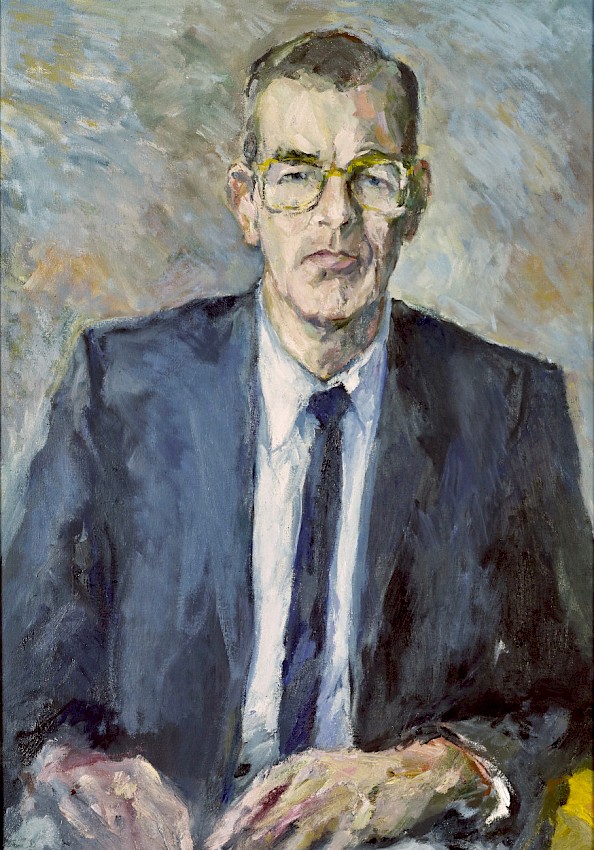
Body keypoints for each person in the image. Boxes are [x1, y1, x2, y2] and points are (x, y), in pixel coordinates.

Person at [4, 30, 591, 850]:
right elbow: (22, 674)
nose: (336, 216)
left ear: (415, 200)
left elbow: (570, 694)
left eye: (372, 178)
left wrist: (423, 774)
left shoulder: (508, 406)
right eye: (295, 175)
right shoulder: (121, 387)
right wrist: (77, 769)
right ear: (246, 203)